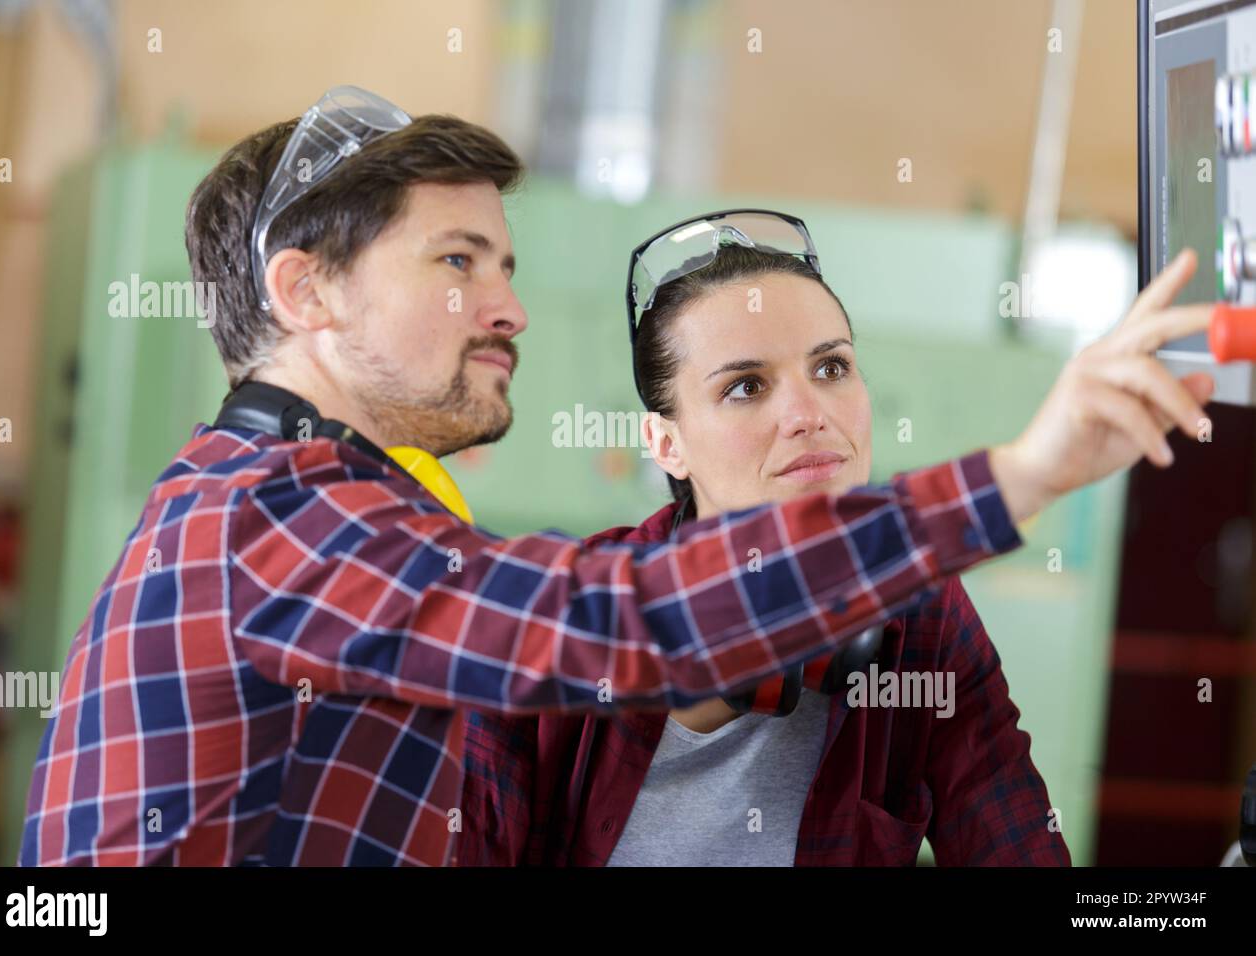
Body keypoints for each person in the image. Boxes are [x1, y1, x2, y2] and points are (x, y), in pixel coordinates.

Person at [18, 86, 1212, 867]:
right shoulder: (269, 515)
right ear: (304, 293)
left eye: (834, 368)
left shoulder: (345, 515)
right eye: (457, 260)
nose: (510, 306)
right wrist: (1022, 471)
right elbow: (616, 625)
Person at [459, 209, 1217, 866]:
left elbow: (1015, 844)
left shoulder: (924, 623)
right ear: (667, 444)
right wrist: (1026, 473)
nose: (808, 412)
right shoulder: (552, 630)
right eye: (745, 386)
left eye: (831, 367)